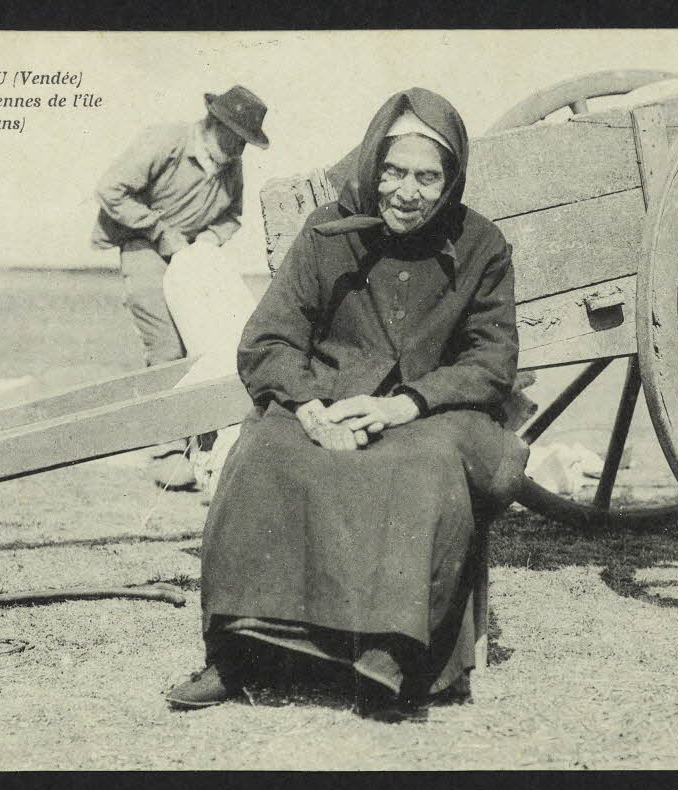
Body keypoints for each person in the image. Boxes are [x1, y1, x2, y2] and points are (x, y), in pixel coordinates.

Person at [166, 87, 527, 721]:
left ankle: (389, 657)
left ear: (451, 180)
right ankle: (235, 651)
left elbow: (492, 362)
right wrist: (306, 405)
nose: (406, 192)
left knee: (422, 466)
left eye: (426, 177)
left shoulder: (482, 245)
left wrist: (406, 405)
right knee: (263, 450)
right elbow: (270, 337)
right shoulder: (326, 233)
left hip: (435, 413)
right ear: (371, 166)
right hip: (328, 400)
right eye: (393, 171)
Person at [92, 85, 269, 490]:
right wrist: (160, 231)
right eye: (236, 138)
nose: (241, 150)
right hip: (143, 242)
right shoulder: (165, 141)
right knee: (166, 348)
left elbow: (231, 217)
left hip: (190, 253)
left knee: (208, 344)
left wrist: (208, 240)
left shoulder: (231, 162)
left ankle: (203, 445)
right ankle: (166, 453)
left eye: (246, 142)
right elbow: (110, 190)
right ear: (215, 124)